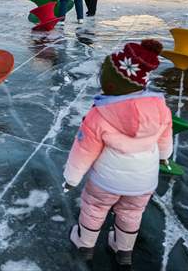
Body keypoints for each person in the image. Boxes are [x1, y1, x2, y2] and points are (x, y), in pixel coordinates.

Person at [63, 39, 172, 268]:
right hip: (144, 181)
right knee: (132, 212)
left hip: (106, 181)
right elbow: (165, 137)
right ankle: (123, 250)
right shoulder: (160, 107)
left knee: (94, 207)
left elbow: (83, 150)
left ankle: (85, 244)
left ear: (111, 84)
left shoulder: (99, 114)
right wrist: (165, 155)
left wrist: (71, 179)